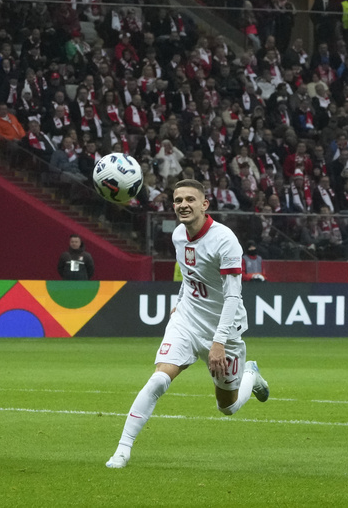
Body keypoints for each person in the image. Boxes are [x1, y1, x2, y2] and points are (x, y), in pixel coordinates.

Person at [106, 179, 269, 469]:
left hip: (224, 329)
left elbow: (233, 295)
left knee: (227, 407)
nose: (183, 205)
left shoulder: (225, 240)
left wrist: (218, 342)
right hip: (187, 320)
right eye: (178, 200)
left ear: (205, 205)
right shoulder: (179, 235)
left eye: (190, 200)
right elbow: (189, 275)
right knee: (158, 380)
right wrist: (179, 301)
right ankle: (122, 449)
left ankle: (250, 375)